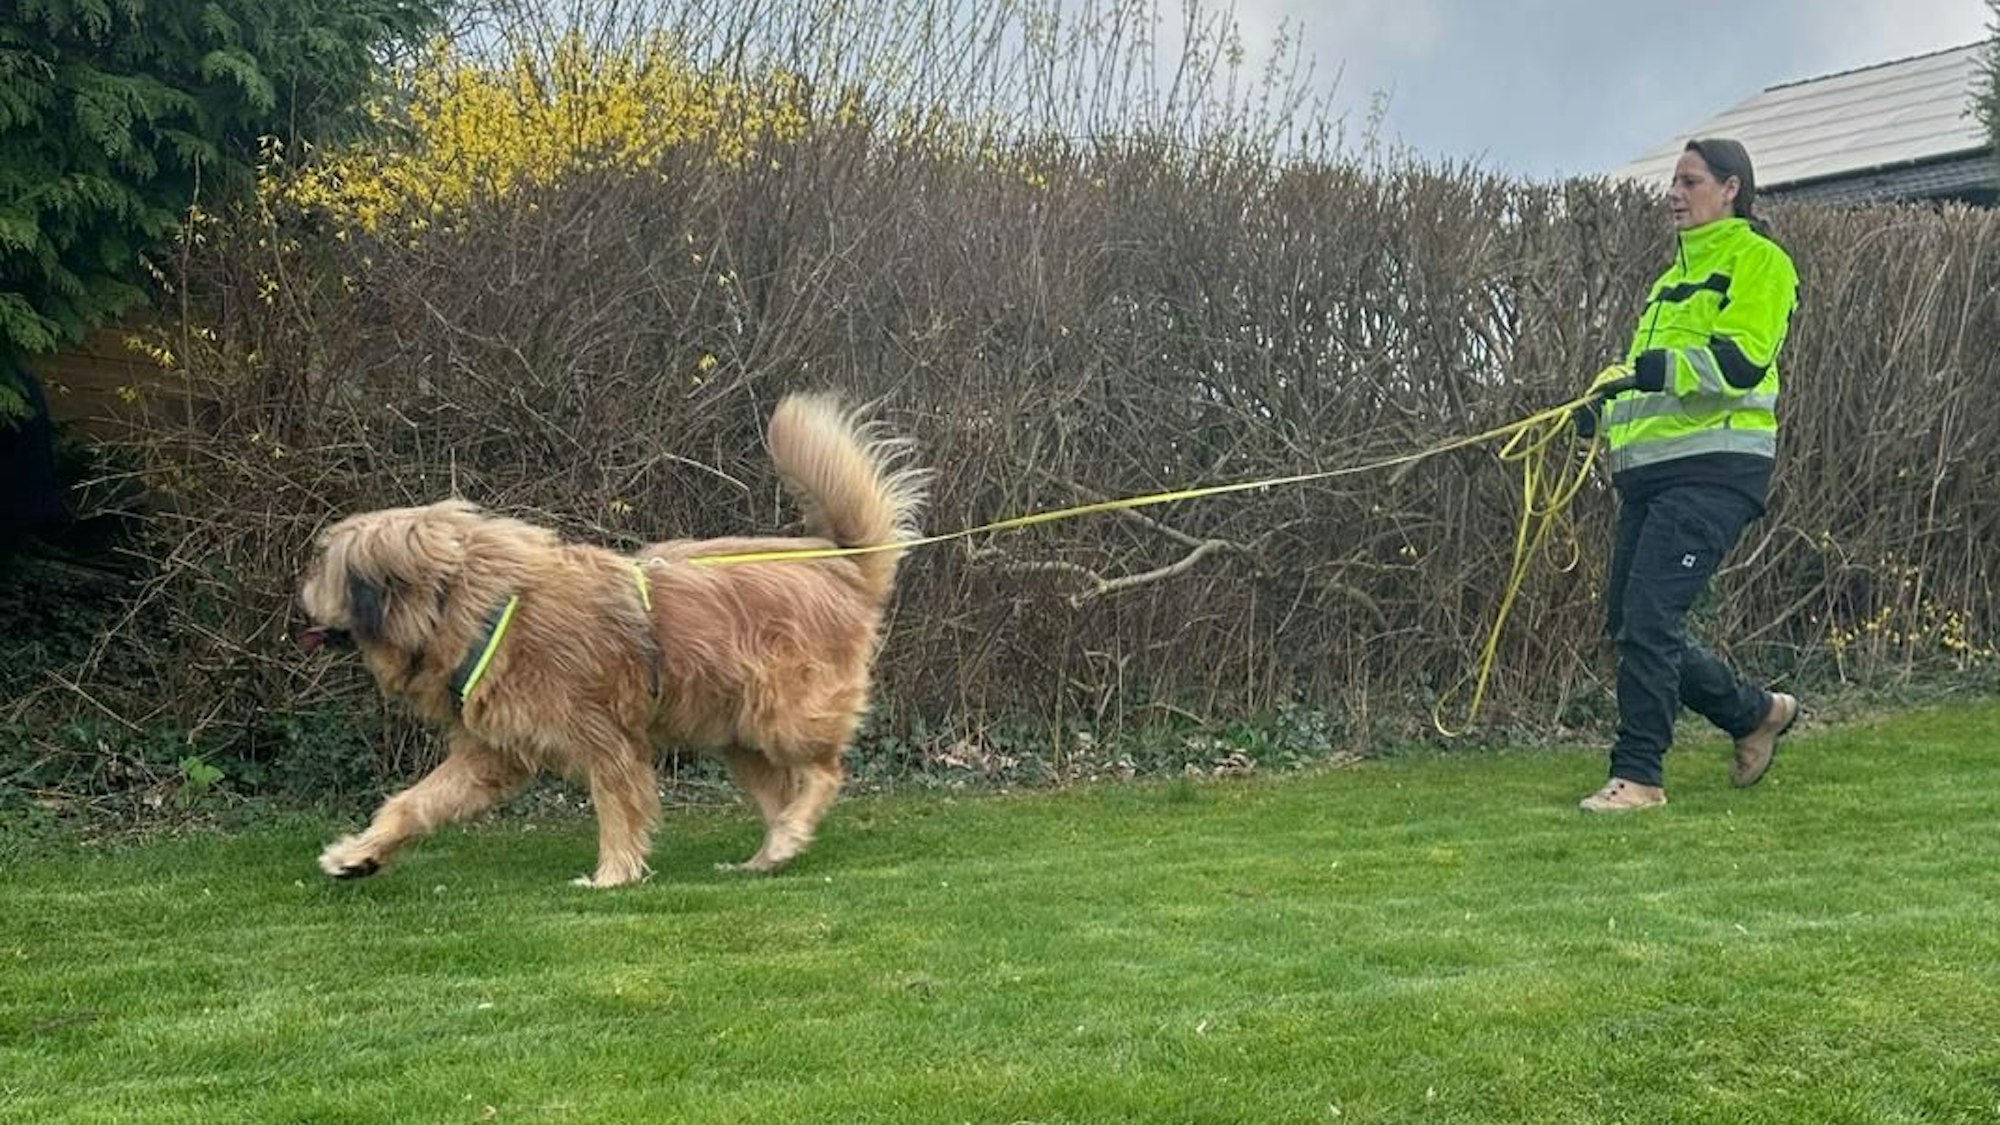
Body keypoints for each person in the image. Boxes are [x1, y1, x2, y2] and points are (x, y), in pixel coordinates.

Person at [1575, 138, 1800, 812]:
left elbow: (1740, 363)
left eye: (1689, 180)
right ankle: (1754, 713)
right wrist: (1600, 402)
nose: (1674, 193)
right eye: (1672, 181)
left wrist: (1648, 371)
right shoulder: (1667, 282)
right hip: (1652, 476)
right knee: (1632, 623)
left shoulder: (1760, 262)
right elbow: (1652, 378)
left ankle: (1640, 775)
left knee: (1650, 616)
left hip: (1715, 471)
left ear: (1731, 189)